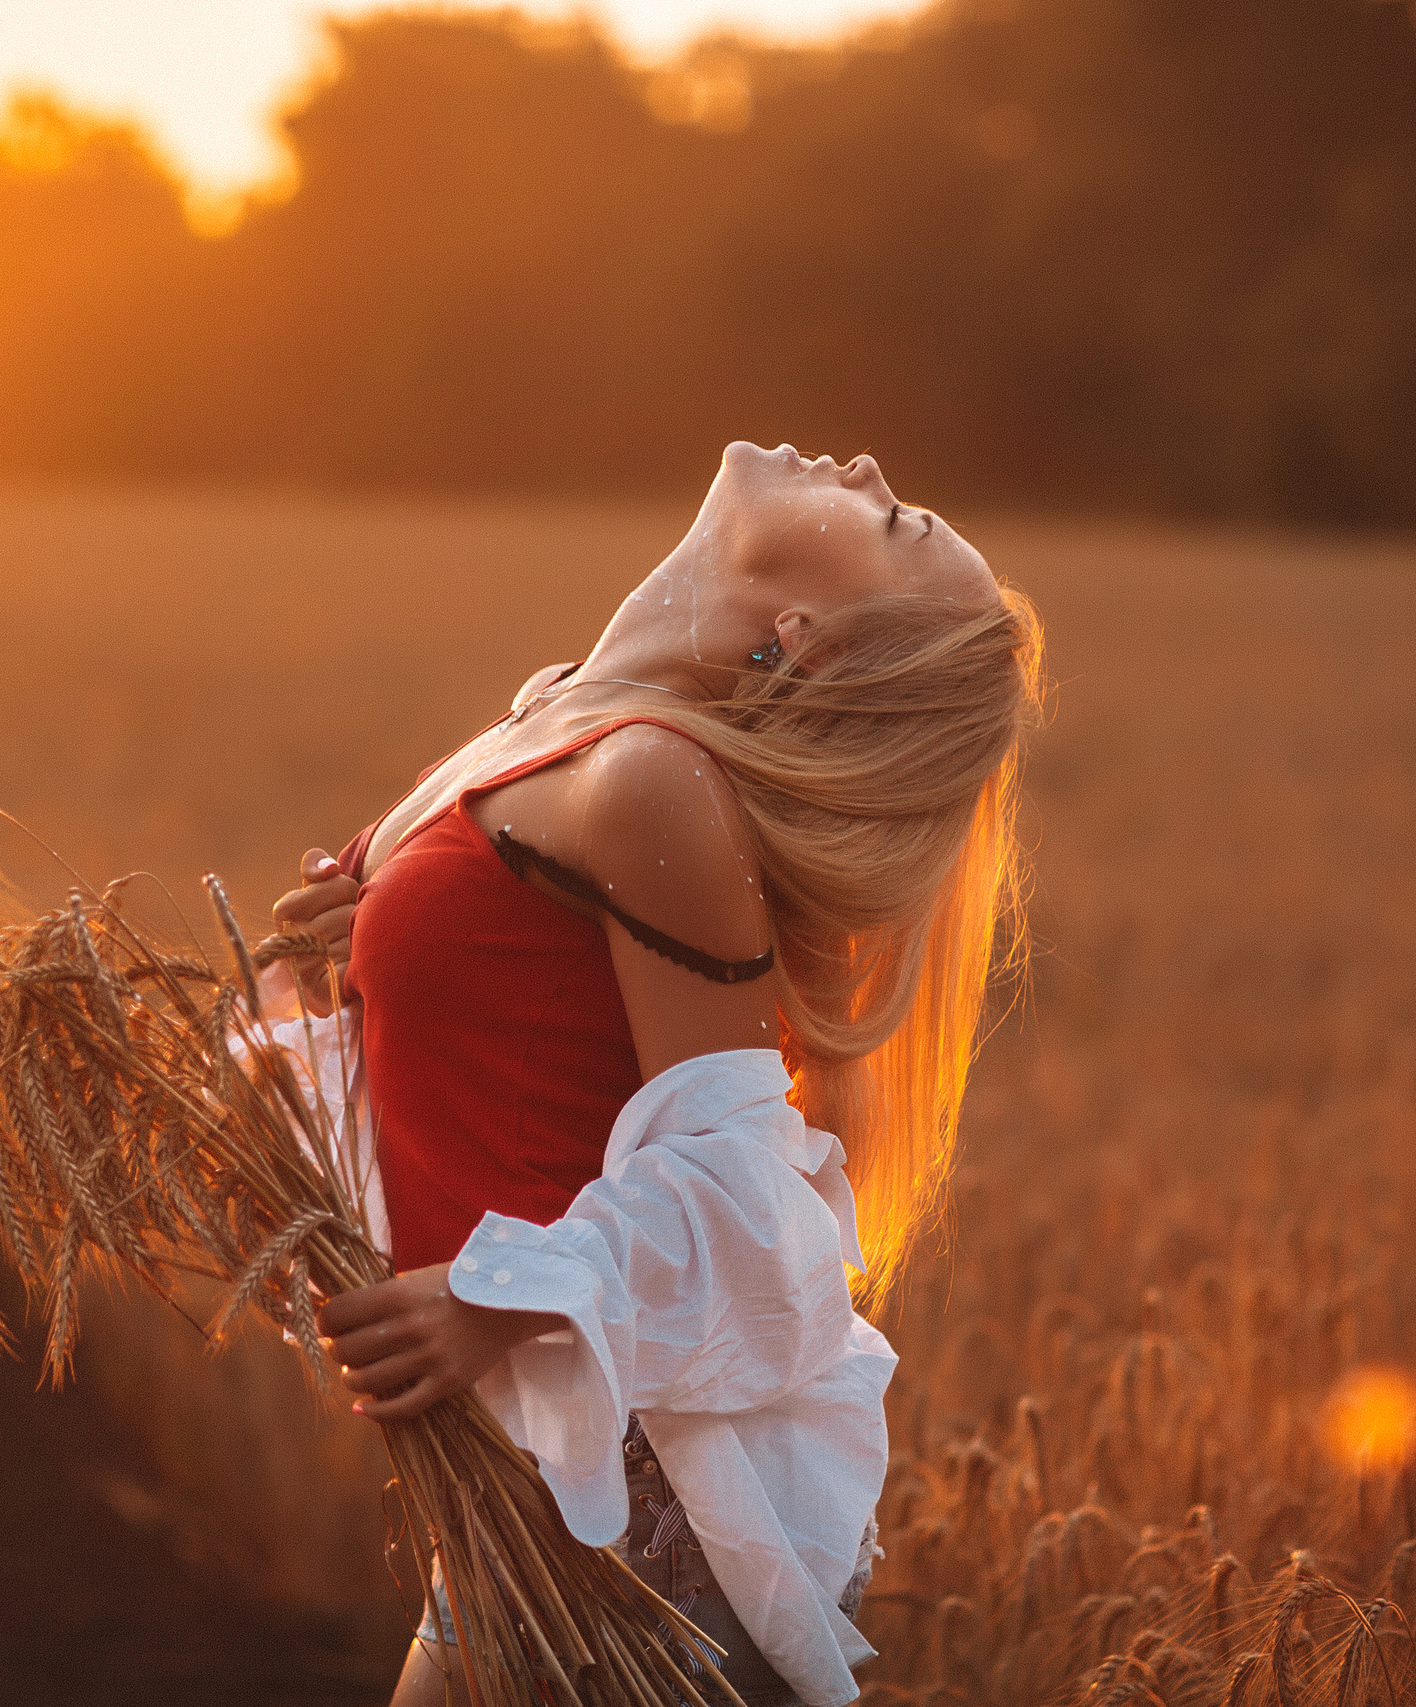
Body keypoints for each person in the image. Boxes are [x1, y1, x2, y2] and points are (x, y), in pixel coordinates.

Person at [270, 441, 1045, 1707]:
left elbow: (748, 1202)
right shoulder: (550, 710)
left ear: (801, 637)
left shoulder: (651, 781)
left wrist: (492, 1300)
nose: (863, 465)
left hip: (644, 1517)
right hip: (532, 1478)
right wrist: (336, 965)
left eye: (894, 519)